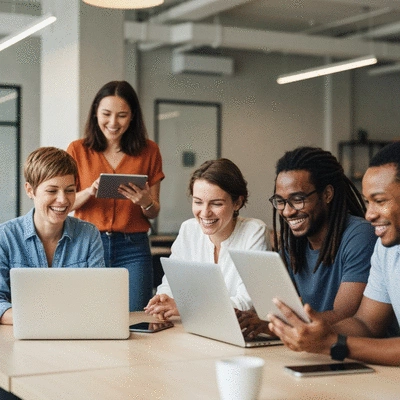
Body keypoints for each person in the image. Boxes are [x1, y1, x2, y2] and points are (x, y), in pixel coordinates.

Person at [268, 141, 400, 366]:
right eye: (368, 202)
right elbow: (367, 323)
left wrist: (333, 343)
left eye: (379, 201)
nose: (369, 215)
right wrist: (312, 329)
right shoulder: (385, 249)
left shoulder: (361, 235)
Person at [238, 146, 376, 338]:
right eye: (281, 201)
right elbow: (279, 305)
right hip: (317, 345)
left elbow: (345, 315)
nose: (287, 211)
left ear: (327, 194)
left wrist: (274, 322)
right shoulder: (294, 242)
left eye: (298, 199)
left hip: (360, 350)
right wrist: (252, 317)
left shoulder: (360, 235)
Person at [67, 80, 164, 311]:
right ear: (95, 114)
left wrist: (145, 202)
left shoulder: (149, 151)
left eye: (122, 115)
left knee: (136, 318)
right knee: (87, 314)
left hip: (133, 248)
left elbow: (154, 211)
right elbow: (67, 203)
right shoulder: (77, 149)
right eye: (106, 114)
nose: (113, 122)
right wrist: (91, 190)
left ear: (132, 117)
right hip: (88, 243)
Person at [144, 158, 269, 320]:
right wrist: (163, 298)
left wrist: (186, 306)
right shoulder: (189, 229)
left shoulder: (254, 232)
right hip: (197, 327)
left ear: (238, 202)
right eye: (198, 202)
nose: (204, 213)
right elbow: (172, 283)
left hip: (237, 331)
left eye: (216, 204)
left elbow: (247, 303)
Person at [0, 147, 105, 325]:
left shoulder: (89, 234)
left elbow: (99, 298)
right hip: (23, 338)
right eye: (52, 191)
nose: (63, 200)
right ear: (30, 190)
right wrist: (47, 319)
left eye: (70, 190)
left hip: (75, 334)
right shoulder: (6, 236)